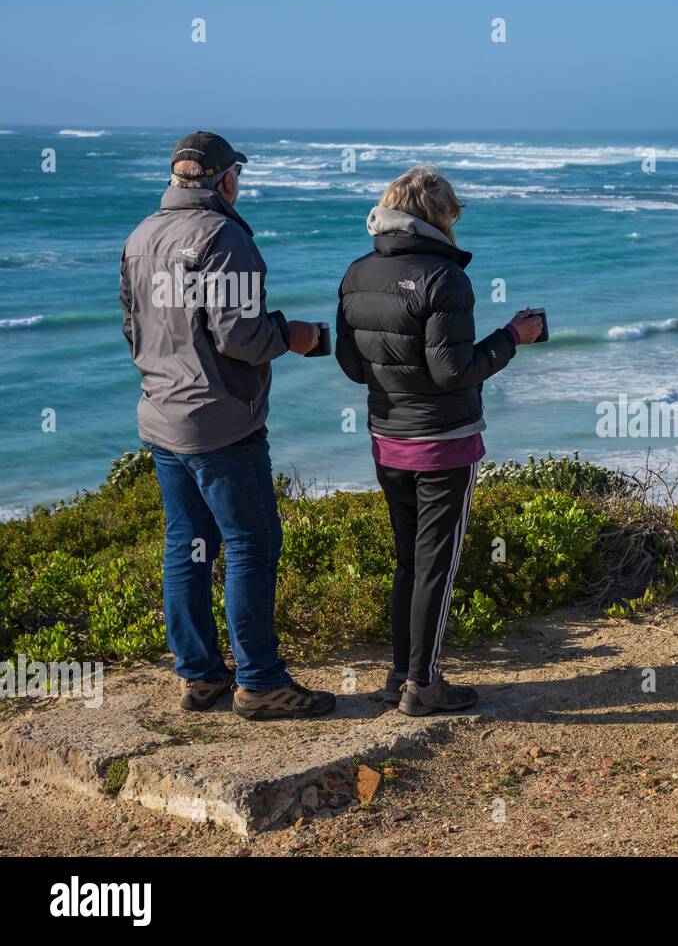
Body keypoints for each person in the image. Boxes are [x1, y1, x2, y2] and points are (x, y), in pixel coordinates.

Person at [120, 131, 336, 720]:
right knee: (251, 543)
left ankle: (200, 674)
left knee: (186, 548)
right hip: (219, 423)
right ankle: (261, 681)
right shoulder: (222, 236)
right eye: (236, 175)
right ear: (223, 181)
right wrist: (294, 336)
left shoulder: (140, 236)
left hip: (161, 414)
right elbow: (240, 336)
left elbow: (133, 329)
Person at [336, 165, 542, 716]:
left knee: (409, 560)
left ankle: (400, 672)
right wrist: (511, 337)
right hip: (443, 441)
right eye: (453, 212)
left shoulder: (357, 274)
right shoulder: (445, 279)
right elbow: (453, 371)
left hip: (387, 437)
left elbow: (352, 365)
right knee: (437, 564)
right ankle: (423, 685)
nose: (456, 222)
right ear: (437, 215)